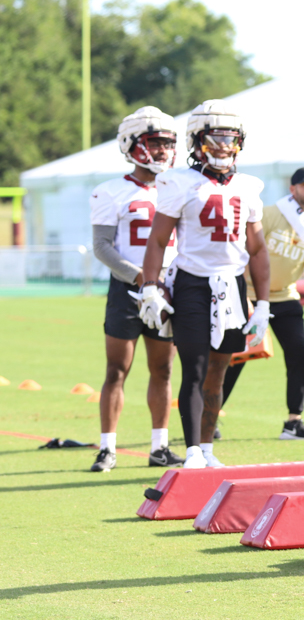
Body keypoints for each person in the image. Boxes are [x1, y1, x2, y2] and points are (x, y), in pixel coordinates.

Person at [139, 100, 271, 468]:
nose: (224, 147)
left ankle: (207, 449)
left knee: (219, 369)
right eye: (216, 138)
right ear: (197, 141)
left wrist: (263, 303)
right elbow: (157, 240)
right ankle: (193, 450)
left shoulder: (248, 186)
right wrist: (151, 284)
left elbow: (257, 249)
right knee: (194, 368)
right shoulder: (179, 182)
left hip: (232, 287)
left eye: (231, 139)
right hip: (193, 284)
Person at [87, 107, 183, 472]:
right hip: (128, 291)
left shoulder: (178, 188)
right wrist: (141, 277)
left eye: (167, 144)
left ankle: (159, 446)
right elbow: (102, 246)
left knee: (163, 370)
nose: (162, 151)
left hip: (168, 291)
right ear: (131, 144)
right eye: (154, 142)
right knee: (116, 370)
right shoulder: (110, 191)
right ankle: (107, 448)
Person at [220, 167, 304, 440]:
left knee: (298, 354)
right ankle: (209, 415)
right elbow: (247, 255)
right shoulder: (270, 214)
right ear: (292, 188)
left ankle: (293, 422)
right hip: (249, 295)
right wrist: (245, 298)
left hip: (285, 297)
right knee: (234, 358)